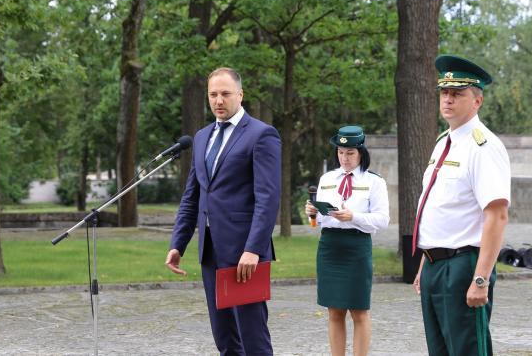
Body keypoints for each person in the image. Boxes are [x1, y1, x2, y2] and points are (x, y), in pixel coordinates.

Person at [166, 67, 281, 355]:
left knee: (252, 337)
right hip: (211, 252)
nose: (219, 100)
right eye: (213, 94)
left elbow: (267, 199)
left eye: (225, 94)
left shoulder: (261, 135)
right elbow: (192, 195)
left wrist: (253, 249)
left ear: (240, 95)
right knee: (225, 337)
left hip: (245, 254)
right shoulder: (202, 137)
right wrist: (178, 243)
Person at [412, 55, 511, 356]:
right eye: (445, 92)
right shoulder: (444, 142)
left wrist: (480, 279)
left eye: (458, 94)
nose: (449, 99)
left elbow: (497, 215)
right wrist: (423, 263)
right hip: (434, 265)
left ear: (477, 101)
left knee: (468, 350)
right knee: (439, 350)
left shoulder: (483, 146)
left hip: (464, 265)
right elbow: (438, 206)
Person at [305, 125, 389, 356]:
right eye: (341, 152)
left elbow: (382, 220)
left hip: (357, 247)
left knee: (359, 310)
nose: (345, 158)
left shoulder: (374, 182)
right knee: (334, 311)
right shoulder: (327, 178)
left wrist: (354, 217)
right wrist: (313, 213)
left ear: (361, 152)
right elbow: (320, 220)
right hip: (330, 247)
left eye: (350, 153)